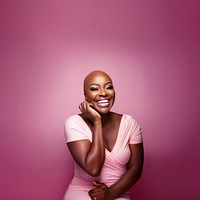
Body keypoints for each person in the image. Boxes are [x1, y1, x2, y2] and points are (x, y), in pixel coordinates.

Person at [63, 70, 144, 200]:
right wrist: (97, 121)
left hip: (118, 192)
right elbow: (94, 169)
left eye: (109, 87)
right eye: (94, 89)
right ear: (85, 96)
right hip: (82, 192)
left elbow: (136, 169)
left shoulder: (130, 123)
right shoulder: (74, 123)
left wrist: (111, 193)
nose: (103, 93)